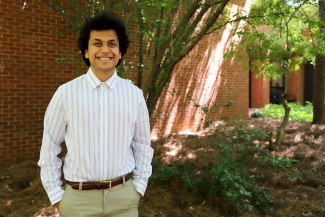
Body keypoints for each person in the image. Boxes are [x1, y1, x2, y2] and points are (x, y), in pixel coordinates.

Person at [38, 10, 154, 216]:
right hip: (78, 202)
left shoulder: (134, 95)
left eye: (112, 43)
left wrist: (139, 189)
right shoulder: (65, 94)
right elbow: (49, 147)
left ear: (120, 52)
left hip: (124, 200)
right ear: (86, 51)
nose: (105, 50)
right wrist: (56, 196)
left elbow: (143, 146)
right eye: (97, 43)